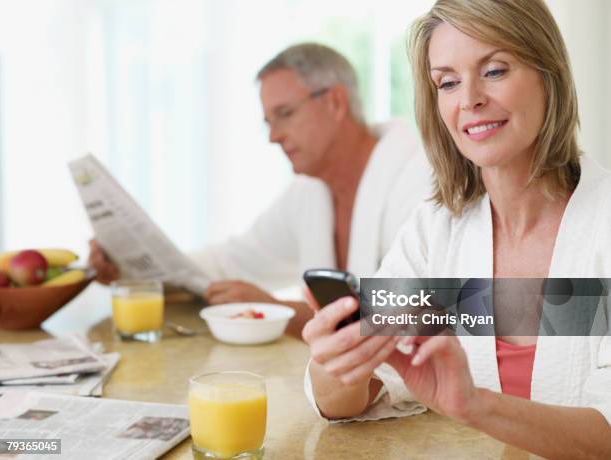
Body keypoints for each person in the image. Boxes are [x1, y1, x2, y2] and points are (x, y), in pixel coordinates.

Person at [302, 1, 611, 458]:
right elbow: (348, 401)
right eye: (447, 82)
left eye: (495, 70)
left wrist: (473, 405)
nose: (468, 99)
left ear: (549, 74)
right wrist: (337, 360)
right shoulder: (435, 231)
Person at [89, 43, 431, 336]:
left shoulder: (420, 181)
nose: (273, 136)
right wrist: (129, 268)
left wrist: (278, 312)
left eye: (284, 113)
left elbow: (433, 310)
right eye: (269, 121)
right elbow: (229, 264)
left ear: (335, 102)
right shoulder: (309, 194)